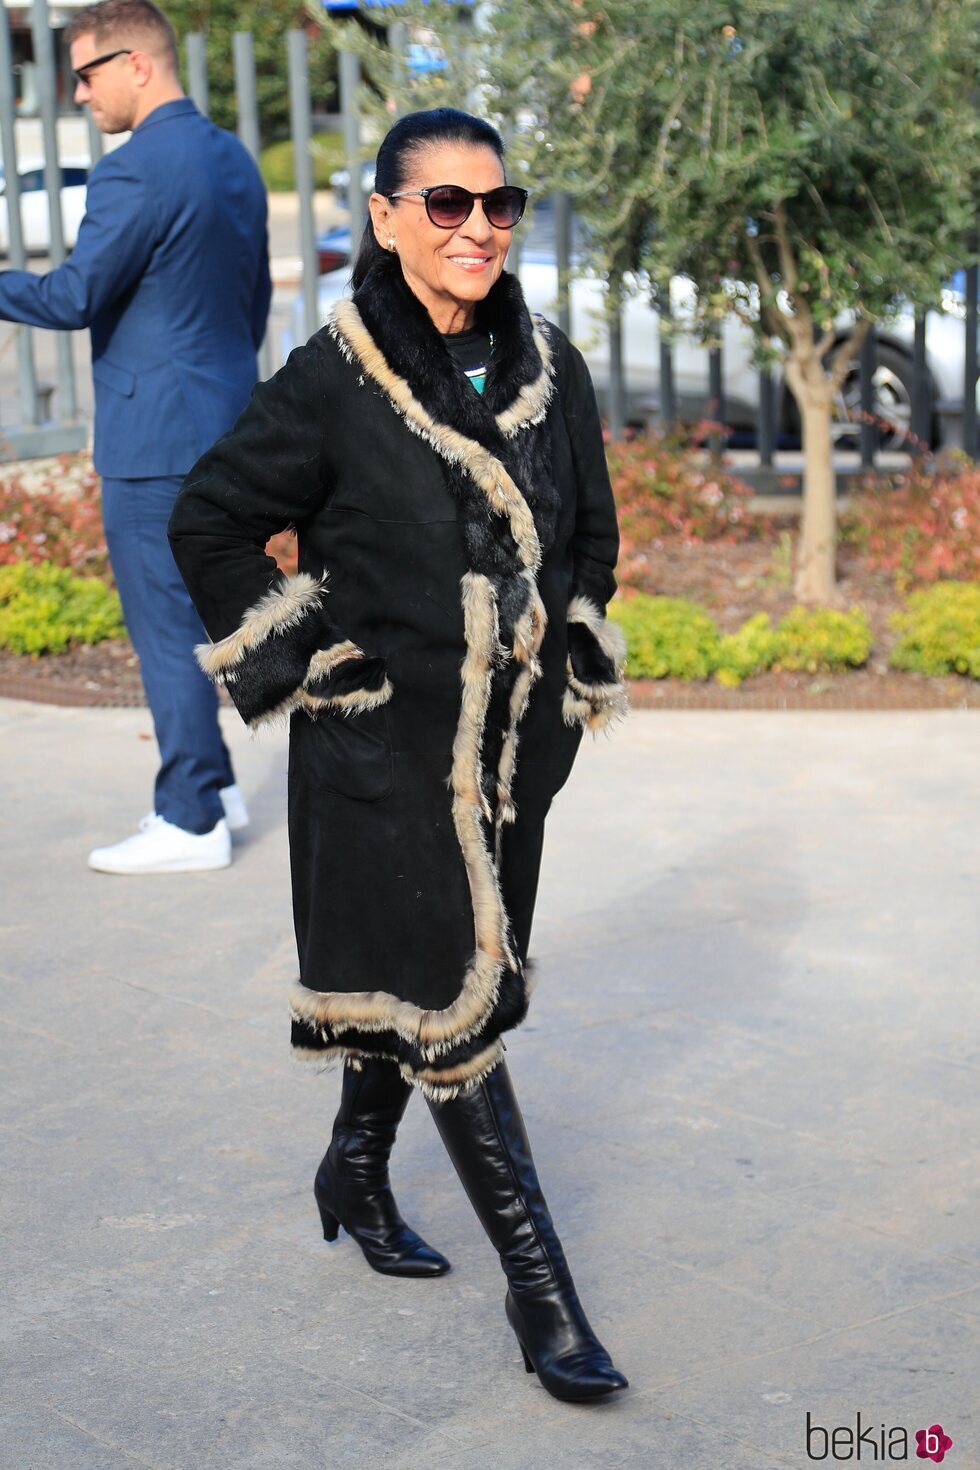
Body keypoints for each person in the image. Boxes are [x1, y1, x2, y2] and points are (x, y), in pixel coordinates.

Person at [168, 108, 629, 1403]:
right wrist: (315, 661)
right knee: (464, 1013)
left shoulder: (550, 367)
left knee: (437, 990)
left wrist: (575, 641)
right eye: (445, 204)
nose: (477, 226)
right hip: (386, 756)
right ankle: (546, 1297)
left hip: (513, 759)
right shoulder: (335, 377)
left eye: (498, 203)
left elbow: (589, 531)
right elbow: (208, 520)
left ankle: (355, 1168)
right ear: (384, 217)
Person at [0, 0, 271, 874]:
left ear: (137, 65)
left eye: (85, 73)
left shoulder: (133, 171)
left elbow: (75, 297)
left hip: (153, 436)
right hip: (227, 418)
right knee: (200, 615)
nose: (78, 93)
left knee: (165, 626)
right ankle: (219, 787)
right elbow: (252, 300)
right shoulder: (233, 158)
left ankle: (190, 819)